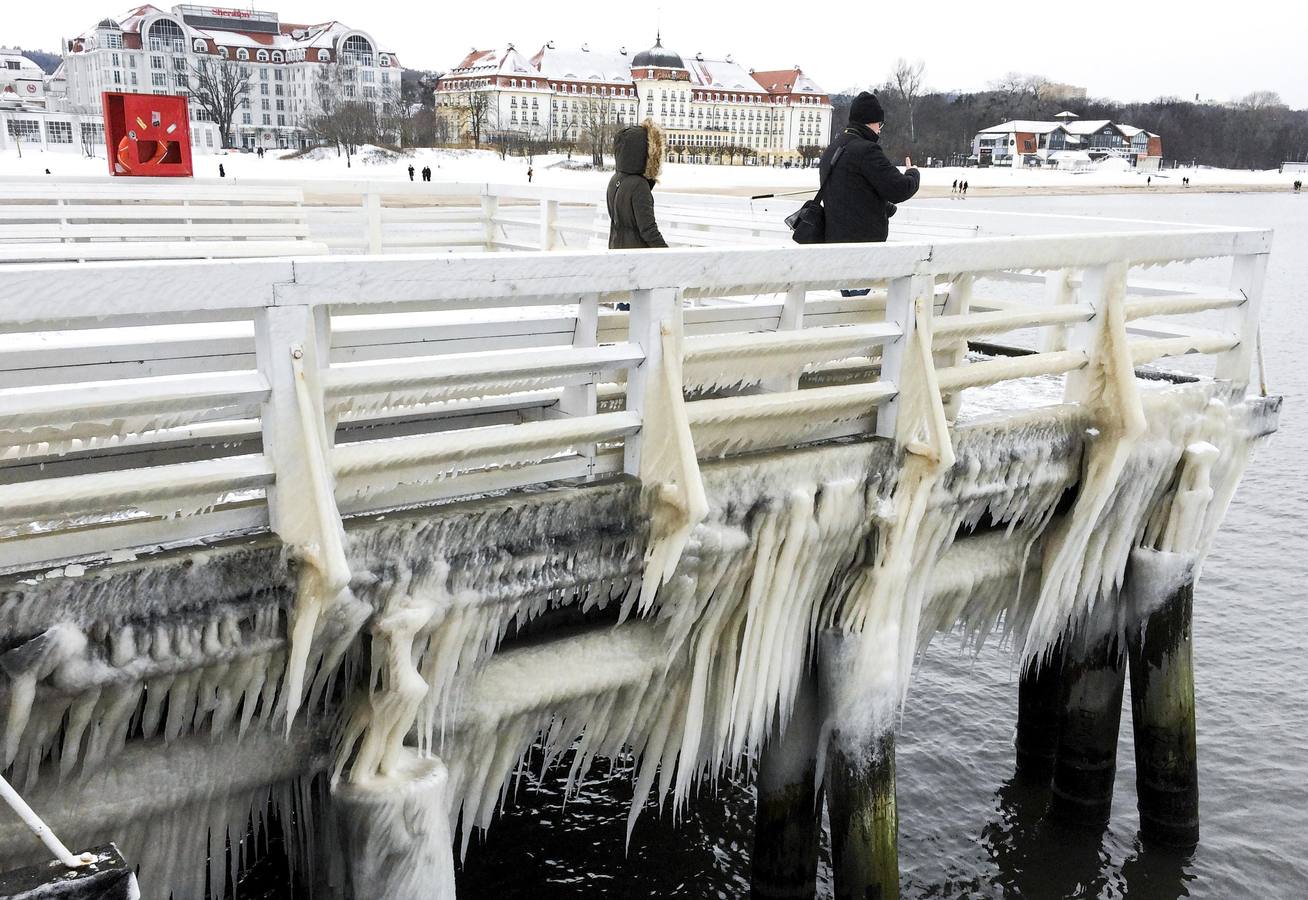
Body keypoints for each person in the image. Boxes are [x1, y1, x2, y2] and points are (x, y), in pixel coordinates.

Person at [817, 92, 919, 296]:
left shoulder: (834, 148)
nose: (880, 130)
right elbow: (899, 189)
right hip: (862, 251)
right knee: (858, 313)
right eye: (880, 124)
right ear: (872, 122)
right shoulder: (866, 150)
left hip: (835, 246)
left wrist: (883, 207)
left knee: (850, 308)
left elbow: (852, 192)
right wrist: (913, 173)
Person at [606, 119, 668, 249]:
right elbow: (648, 230)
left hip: (616, 249)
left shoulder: (615, 180)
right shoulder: (639, 186)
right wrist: (667, 254)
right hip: (637, 257)